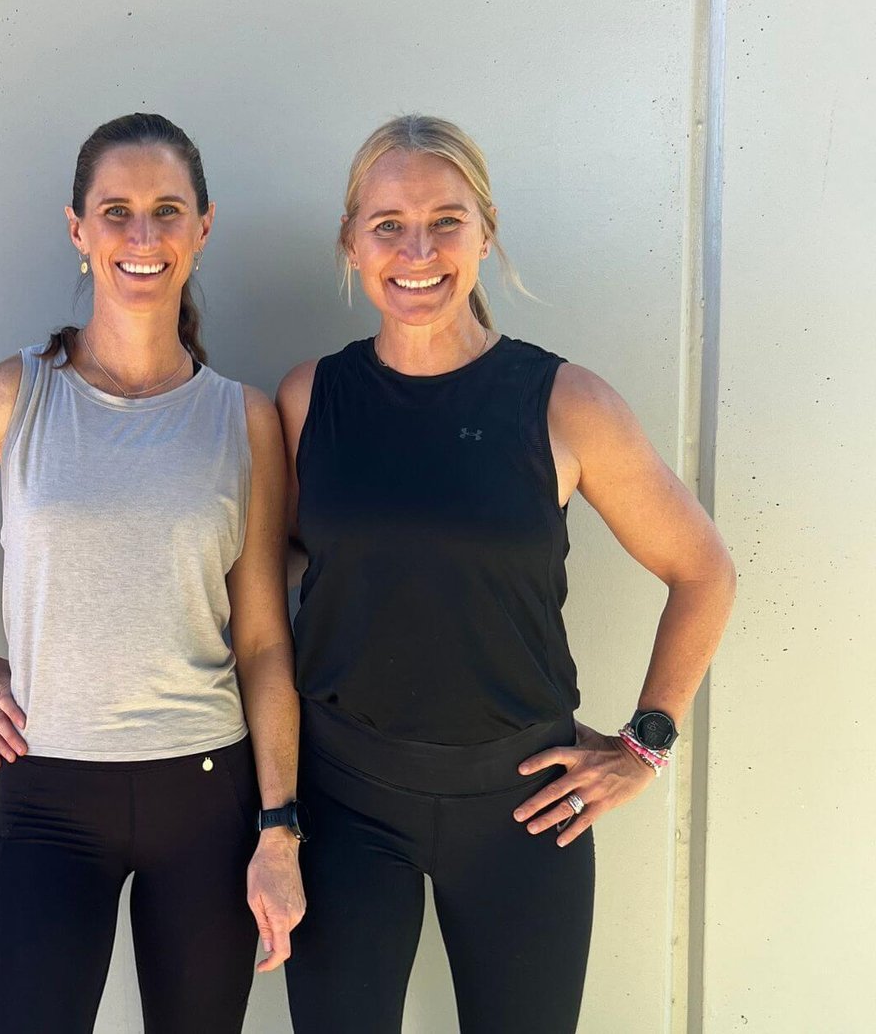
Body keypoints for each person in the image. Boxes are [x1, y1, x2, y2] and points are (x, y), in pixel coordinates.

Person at [0, 112, 305, 1034]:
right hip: (50, 801)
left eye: (167, 210)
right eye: (116, 211)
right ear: (78, 231)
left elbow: (266, 641)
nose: (142, 236)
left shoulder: (243, 420)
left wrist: (279, 826)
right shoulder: (17, 397)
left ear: (203, 227)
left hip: (208, 795)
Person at [275, 114, 736, 1033]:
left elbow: (703, 569)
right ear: (352, 242)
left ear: (485, 232)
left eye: (446, 221)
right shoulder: (307, 399)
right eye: (389, 224)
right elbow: (275, 579)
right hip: (344, 802)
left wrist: (646, 743)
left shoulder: (564, 402)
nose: (418, 250)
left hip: (523, 807)